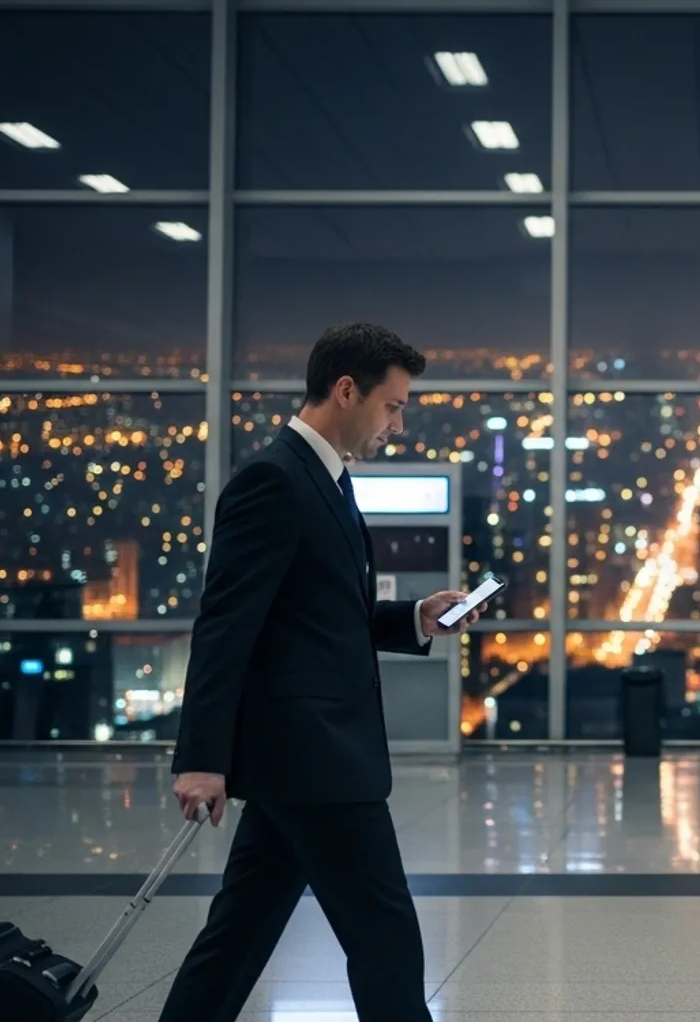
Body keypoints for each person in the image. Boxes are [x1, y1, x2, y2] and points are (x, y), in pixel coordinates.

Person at [159, 323, 484, 1022]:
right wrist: (202, 760)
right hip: (317, 757)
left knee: (237, 936)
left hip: (301, 759)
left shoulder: (325, 478)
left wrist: (415, 618)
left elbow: (323, 614)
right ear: (346, 391)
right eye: (392, 405)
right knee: (385, 937)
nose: (398, 424)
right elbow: (224, 628)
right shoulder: (274, 482)